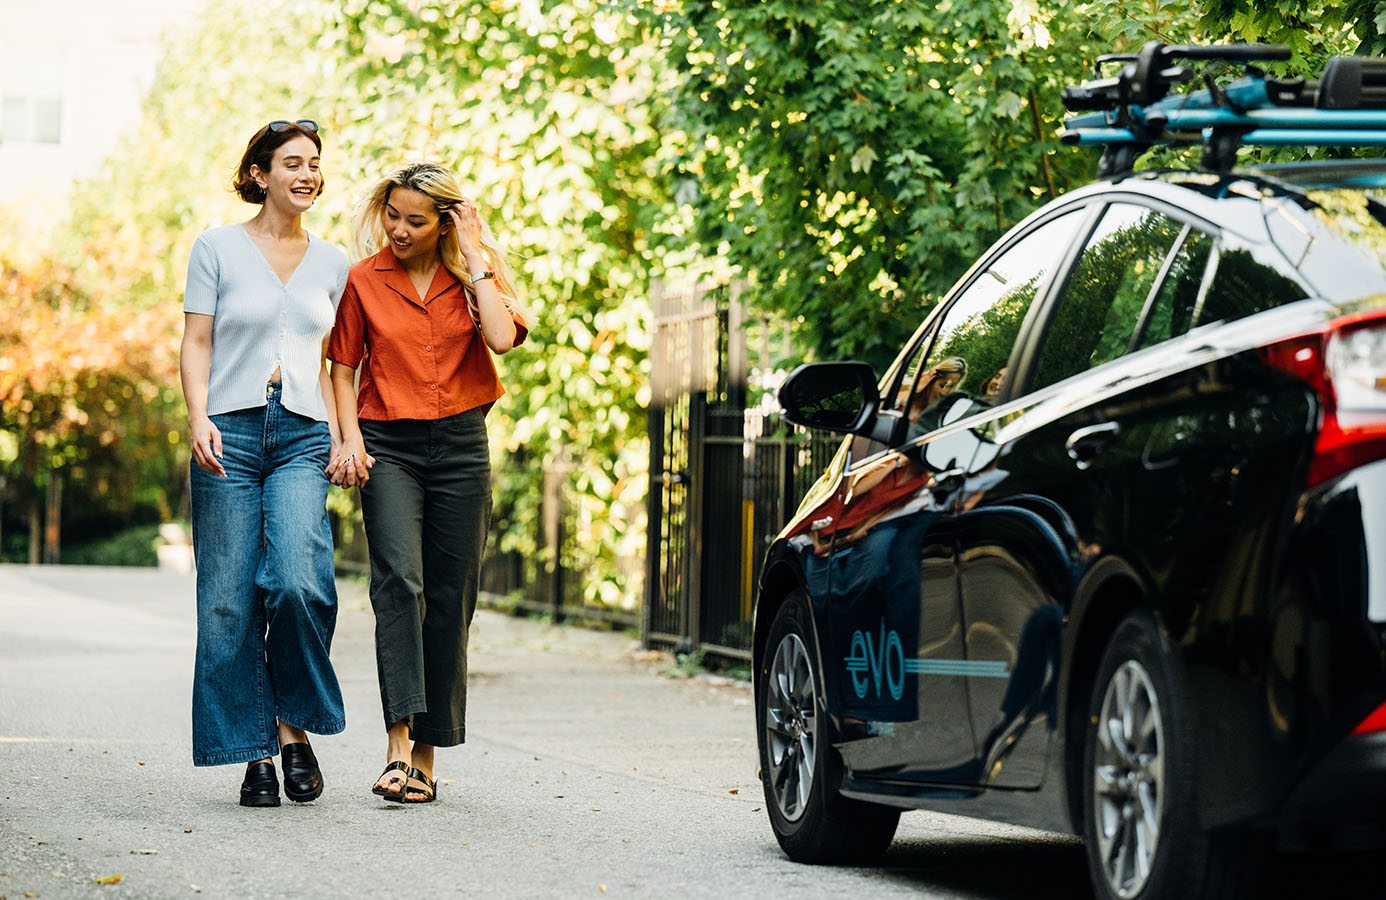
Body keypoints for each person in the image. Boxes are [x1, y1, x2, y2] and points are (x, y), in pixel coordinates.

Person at [326, 162, 529, 804]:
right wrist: (349, 439)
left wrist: (474, 257)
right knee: (398, 584)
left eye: (416, 220)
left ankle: (426, 759)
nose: (400, 230)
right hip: (389, 445)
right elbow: (341, 367)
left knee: (450, 595)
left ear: (442, 221)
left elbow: (501, 338)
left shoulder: (475, 275)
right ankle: (394, 745)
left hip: (462, 447)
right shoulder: (364, 279)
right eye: (393, 216)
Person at [179, 119, 349, 807]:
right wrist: (198, 418)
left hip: (305, 433)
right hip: (230, 434)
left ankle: (292, 726)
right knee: (227, 599)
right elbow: (196, 342)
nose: (306, 174)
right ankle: (254, 754)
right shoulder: (216, 247)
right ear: (259, 174)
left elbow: (342, 363)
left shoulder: (335, 262)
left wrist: (346, 435)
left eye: (314, 163)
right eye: (291, 163)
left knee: (302, 581)